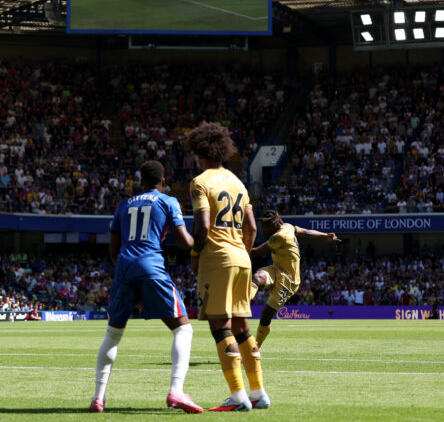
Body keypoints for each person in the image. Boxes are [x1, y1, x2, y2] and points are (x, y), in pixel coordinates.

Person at [89, 161, 202, 414]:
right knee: (183, 329)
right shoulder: (168, 201)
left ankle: (98, 398)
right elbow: (185, 242)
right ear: (163, 181)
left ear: (140, 181)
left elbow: (113, 248)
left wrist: (125, 275)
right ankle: (176, 391)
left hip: (124, 267)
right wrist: (198, 239)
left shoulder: (123, 205)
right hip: (151, 266)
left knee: (113, 334)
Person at [186, 122, 268, 412]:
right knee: (243, 326)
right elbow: (253, 227)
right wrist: (242, 253)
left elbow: (204, 226)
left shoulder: (200, 182)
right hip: (242, 259)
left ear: (199, 150)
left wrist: (196, 253)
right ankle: (258, 392)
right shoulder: (238, 182)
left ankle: (238, 396)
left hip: (217, 259)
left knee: (220, 325)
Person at [250, 210, 340, 347]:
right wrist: (325, 235)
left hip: (289, 281)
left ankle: (255, 346)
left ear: (273, 224)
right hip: (276, 269)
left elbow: (256, 252)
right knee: (258, 277)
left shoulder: (279, 236)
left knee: (266, 314)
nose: (263, 230)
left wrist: (232, 247)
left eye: (264, 227)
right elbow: (306, 232)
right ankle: (242, 305)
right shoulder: (288, 226)